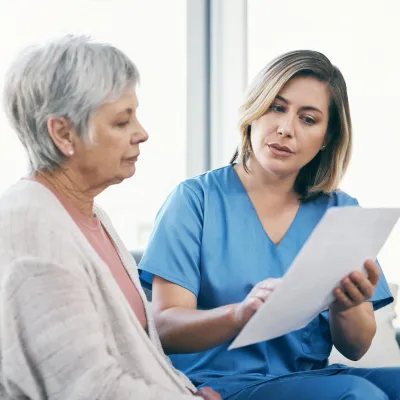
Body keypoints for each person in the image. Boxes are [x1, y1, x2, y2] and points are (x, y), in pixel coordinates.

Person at [139, 50, 400, 400]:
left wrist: (346, 304)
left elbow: (356, 347)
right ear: (254, 111)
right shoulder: (194, 200)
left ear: (327, 137)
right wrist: (239, 315)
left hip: (313, 380)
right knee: (358, 394)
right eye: (276, 108)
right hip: (222, 385)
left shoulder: (341, 211)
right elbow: (166, 327)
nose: (285, 129)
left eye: (308, 119)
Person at [0, 35, 221, 400]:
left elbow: (138, 358)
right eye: (122, 121)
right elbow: (89, 387)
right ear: (63, 133)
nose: (142, 134)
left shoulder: (90, 214)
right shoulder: (29, 226)